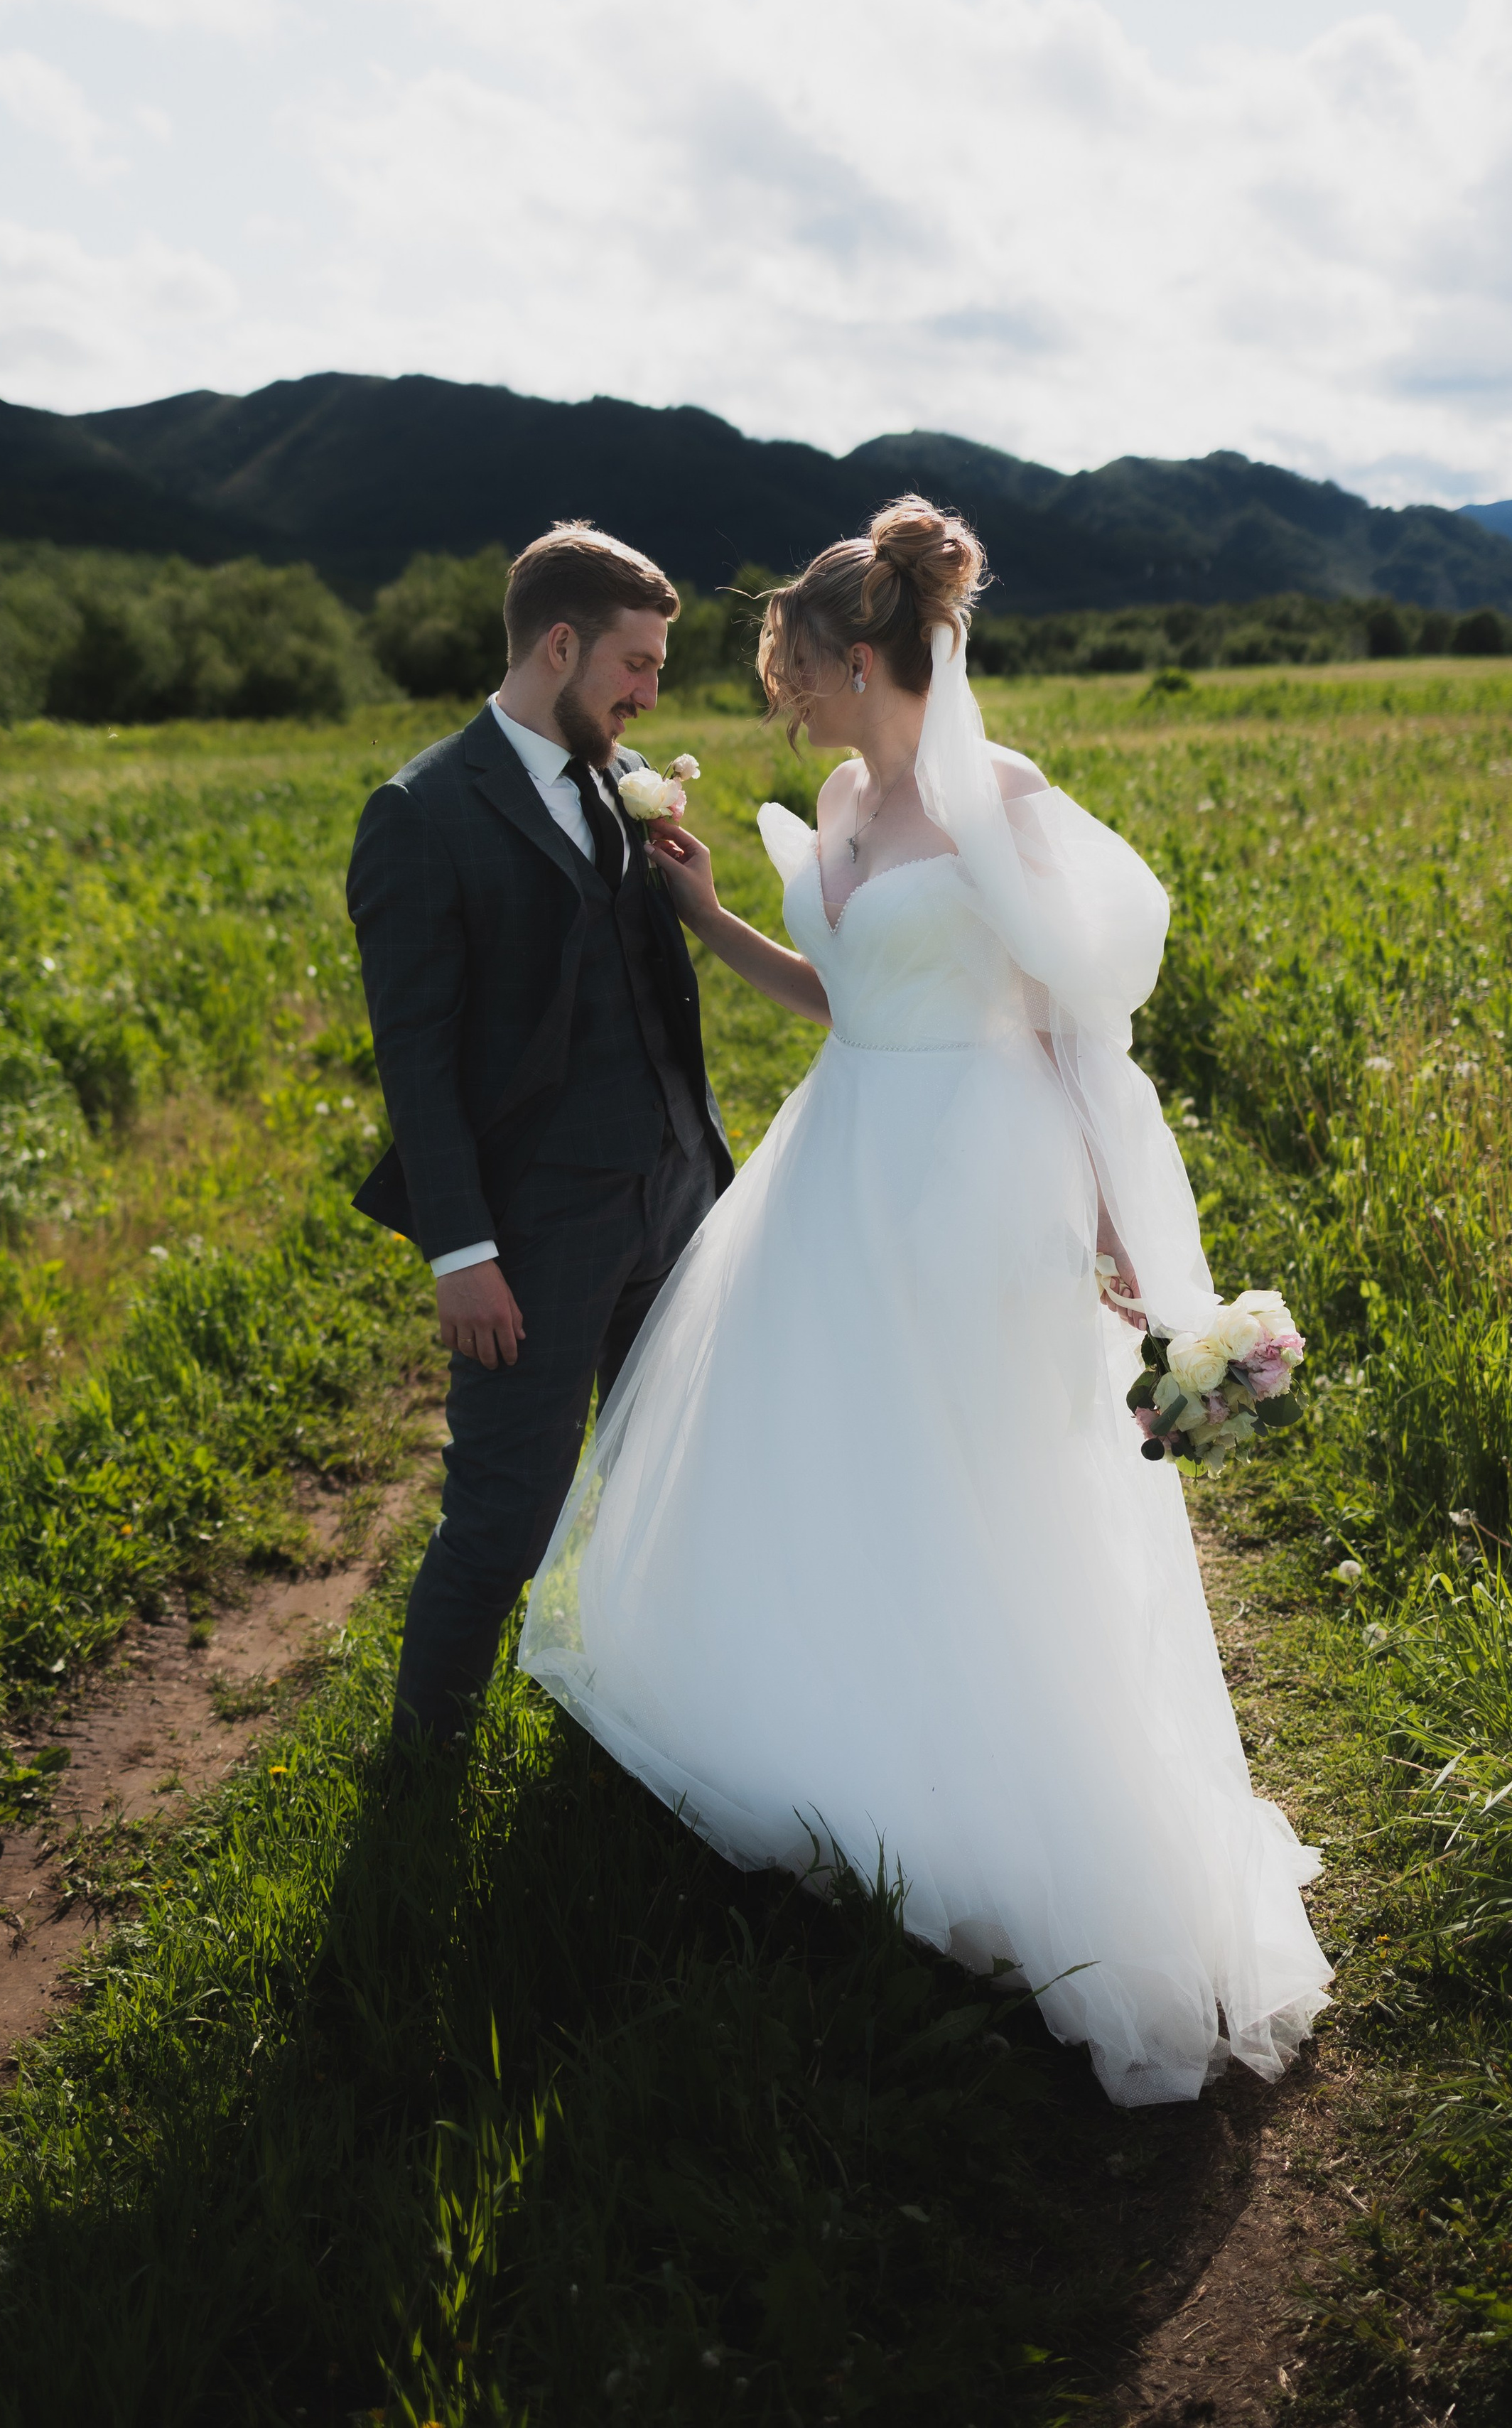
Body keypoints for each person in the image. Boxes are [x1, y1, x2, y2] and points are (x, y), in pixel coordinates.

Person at [517, 497, 1332, 2108]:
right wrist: (701, 912)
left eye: (794, 666)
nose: (782, 696)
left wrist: (1123, 1232)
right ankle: (855, 1755)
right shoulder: (833, 793)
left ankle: (1019, 1811)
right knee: (838, 1458)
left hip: (981, 1168)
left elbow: (1074, 1030)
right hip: (845, 1162)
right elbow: (836, 999)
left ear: (859, 650)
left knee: (985, 1476)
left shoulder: (999, 805)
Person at [347, 522, 735, 1743]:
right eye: (636, 664)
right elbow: (416, 1057)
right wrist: (460, 1253)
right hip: (537, 1227)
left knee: (675, 1473)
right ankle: (424, 1760)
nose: (651, 693)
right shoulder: (421, 813)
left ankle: (652, 1708)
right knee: (510, 1511)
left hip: (674, 1194)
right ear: (558, 645)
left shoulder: (610, 781)